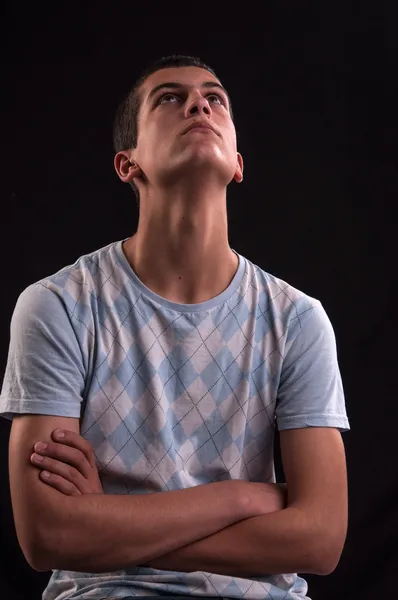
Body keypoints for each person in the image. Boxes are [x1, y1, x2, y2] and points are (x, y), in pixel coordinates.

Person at [0, 55, 350, 600]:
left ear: (237, 162)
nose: (198, 104)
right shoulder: (58, 306)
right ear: (127, 164)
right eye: (168, 98)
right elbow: (49, 535)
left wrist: (110, 522)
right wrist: (239, 498)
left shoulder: (298, 320)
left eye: (216, 99)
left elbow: (322, 538)